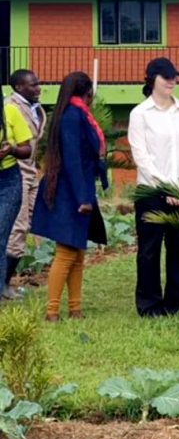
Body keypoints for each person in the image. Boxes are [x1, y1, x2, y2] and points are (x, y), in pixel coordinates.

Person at [128, 57, 179, 318]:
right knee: (149, 250)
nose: (172, 81)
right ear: (152, 80)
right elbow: (142, 157)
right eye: (166, 76)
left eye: (174, 76)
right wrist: (167, 188)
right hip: (151, 192)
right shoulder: (140, 114)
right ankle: (149, 305)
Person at [31, 71, 107, 322]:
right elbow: (73, 160)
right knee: (66, 252)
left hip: (76, 188)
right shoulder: (73, 117)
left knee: (77, 252)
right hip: (71, 191)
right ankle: (52, 311)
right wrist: (83, 198)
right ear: (88, 92)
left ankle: (75, 308)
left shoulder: (74, 113)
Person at [3, 69, 44, 299]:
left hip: (32, 171)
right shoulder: (11, 107)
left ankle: (5, 283)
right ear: (19, 87)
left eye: (38, 83)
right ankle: (4, 284)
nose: (38, 88)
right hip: (15, 172)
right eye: (33, 85)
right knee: (16, 228)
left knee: (28, 223)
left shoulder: (34, 107)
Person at [0, 89, 31, 302]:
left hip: (8, 181)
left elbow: (27, 149)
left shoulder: (10, 112)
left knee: (1, 236)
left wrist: (11, 149)